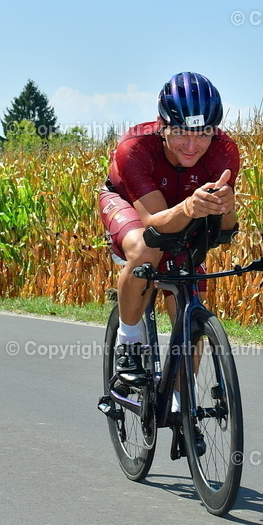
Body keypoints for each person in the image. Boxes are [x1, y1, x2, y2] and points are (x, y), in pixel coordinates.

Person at [98, 71, 239, 384]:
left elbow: (226, 233)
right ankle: (129, 340)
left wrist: (226, 206)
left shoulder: (224, 151)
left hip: (185, 209)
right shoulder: (135, 146)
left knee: (189, 300)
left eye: (203, 134)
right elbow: (153, 224)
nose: (191, 145)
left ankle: (179, 403)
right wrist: (190, 207)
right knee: (145, 249)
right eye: (180, 133)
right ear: (161, 126)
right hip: (130, 204)